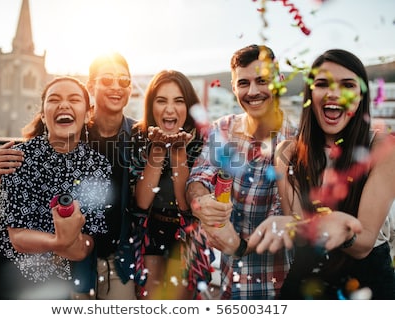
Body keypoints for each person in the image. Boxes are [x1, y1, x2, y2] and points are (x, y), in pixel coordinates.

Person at [0, 52, 138, 300]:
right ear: (92, 87)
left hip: (113, 253)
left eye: (124, 80)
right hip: (68, 259)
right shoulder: (72, 127)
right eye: (107, 79)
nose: (116, 87)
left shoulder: (139, 136)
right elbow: (35, 159)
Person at [265, 48, 395, 299]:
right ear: (309, 95)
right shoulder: (287, 152)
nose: (333, 93)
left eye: (347, 84)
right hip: (306, 278)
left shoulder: (382, 148)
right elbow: (297, 228)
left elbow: (364, 244)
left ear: (360, 97)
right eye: (322, 84)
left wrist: (341, 231)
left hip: (367, 283)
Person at [0, 76, 112, 299]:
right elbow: (18, 238)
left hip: (53, 285)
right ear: (44, 116)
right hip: (0, 275)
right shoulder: (17, 157)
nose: (64, 105)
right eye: (54, 99)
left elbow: (85, 246)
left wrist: (69, 244)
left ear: (87, 114)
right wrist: (62, 241)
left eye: (74, 99)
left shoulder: (99, 166)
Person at [185, 44, 295, 299]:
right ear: (234, 87)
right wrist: (200, 200)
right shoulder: (222, 128)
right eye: (243, 83)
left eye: (262, 81)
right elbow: (198, 177)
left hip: (281, 289)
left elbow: (292, 219)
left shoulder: (299, 139)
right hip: (229, 287)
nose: (253, 91)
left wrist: (240, 246)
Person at [129, 70, 208, 299]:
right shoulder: (139, 136)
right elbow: (142, 202)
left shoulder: (202, 140)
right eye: (161, 100)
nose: (170, 109)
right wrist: (157, 150)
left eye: (179, 101)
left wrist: (178, 155)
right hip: (150, 229)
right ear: (151, 105)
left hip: (186, 232)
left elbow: (186, 206)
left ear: (189, 106)